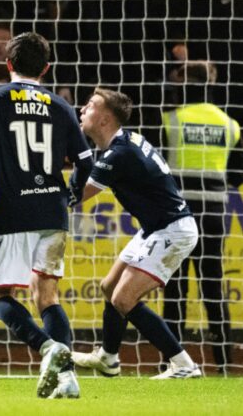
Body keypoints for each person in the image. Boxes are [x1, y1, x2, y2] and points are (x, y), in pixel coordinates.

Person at [0, 32, 93, 399]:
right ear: (46, 69)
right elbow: (86, 161)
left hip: (14, 211)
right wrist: (73, 193)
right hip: (53, 211)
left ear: (8, 64)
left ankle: (48, 348)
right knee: (47, 296)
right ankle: (67, 379)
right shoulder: (60, 106)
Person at [71, 88, 203, 379]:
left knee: (122, 299)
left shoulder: (120, 153)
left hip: (173, 229)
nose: (82, 109)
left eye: (90, 105)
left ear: (105, 120)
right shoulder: (126, 141)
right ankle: (108, 358)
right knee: (109, 287)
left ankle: (184, 365)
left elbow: (76, 196)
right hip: (156, 226)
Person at [161, 62, 241, 373]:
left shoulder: (171, 120)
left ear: (185, 84)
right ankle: (223, 363)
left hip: (178, 213)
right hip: (214, 213)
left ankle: (171, 361)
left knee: (175, 289)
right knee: (213, 287)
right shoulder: (229, 124)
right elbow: (236, 173)